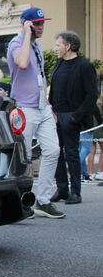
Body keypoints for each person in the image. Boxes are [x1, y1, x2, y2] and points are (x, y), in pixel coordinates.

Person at [7, 7, 64, 218]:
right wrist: (26, 35)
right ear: (27, 24)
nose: (41, 27)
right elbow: (22, 64)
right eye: (36, 24)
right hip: (24, 107)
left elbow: (40, 77)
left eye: (42, 23)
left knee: (53, 150)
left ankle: (43, 200)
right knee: (25, 155)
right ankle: (23, 201)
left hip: (41, 106)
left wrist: (49, 105)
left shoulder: (37, 46)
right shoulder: (16, 43)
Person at [48, 31, 97, 204]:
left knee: (72, 154)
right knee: (56, 153)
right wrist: (51, 109)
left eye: (58, 45)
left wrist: (75, 118)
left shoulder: (84, 66)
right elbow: (53, 89)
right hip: (55, 115)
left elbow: (92, 95)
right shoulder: (58, 64)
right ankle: (62, 189)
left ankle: (75, 191)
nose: (56, 48)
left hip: (72, 116)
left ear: (68, 46)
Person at [90, 97, 103, 180]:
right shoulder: (99, 104)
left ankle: (90, 172)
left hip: (91, 128)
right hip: (99, 129)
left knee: (91, 151)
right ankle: (99, 171)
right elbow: (100, 117)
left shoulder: (89, 103)